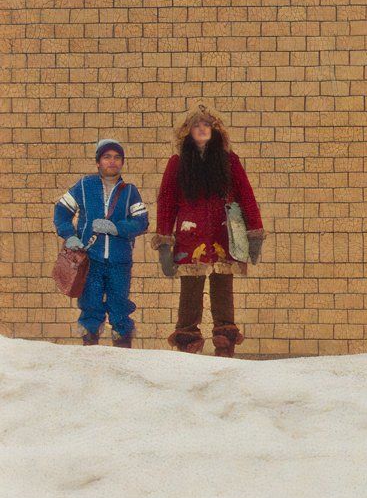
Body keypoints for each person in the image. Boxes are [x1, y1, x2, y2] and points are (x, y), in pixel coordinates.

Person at [154, 105, 265, 356]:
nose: (202, 129)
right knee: (191, 288)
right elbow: (167, 202)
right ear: (188, 132)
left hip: (223, 235)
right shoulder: (178, 163)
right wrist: (164, 241)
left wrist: (255, 231)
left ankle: (224, 336)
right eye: (197, 125)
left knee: (223, 285)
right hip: (189, 236)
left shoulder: (229, 161)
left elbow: (247, 196)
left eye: (207, 125)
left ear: (215, 131)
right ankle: (188, 337)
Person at [53, 139, 150, 347]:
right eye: (107, 157)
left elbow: (141, 222)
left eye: (117, 158)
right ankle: (89, 353)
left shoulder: (130, 191)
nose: (112, 162)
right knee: (90, 305)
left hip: (120, 261)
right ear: (98, 162)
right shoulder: (84, 186)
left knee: (119, 305)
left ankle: (123, 351)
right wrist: (69, 235)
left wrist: (117, 228)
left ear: (122, 163)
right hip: (90, 260)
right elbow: (61, 211)